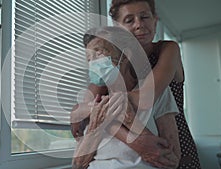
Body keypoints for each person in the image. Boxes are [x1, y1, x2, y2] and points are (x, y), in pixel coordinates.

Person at [107, 0, 201, 168]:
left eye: (145, 17)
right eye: (129, 20)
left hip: (176, 149)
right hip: (137, 157)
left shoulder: (168, 50)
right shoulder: (116, 62)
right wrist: (139, 144)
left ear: (155, 20)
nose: (139, 25)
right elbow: (93, 106)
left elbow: (144, 100)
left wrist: (96, 107)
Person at [71, 26, 180, 169]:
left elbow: (172, 160)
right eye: (89, 59)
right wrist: (95, 127)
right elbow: (77, 165)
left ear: (125, 55)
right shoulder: (94, 103)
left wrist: (130, 121)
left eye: (98, 54)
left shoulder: (159, 94)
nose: (93, 64)